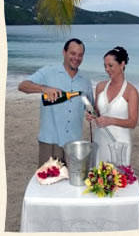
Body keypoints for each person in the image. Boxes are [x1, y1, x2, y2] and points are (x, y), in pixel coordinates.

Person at [18, 38, 94, 167]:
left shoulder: (85, 80)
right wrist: (44, 88)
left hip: (74, 144)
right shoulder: (48, 72)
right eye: (73, 53)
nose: (76, 58)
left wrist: (90, 114)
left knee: (72, 185)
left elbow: (90, 107)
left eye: (80, 55)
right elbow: (23, 86)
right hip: (49, 142)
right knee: (47, 183)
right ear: (64, 52)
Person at [87, 46, 139, 167]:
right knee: (97, 179)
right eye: (105, 66)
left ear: (122, 64)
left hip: (119, 143)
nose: (107, 69)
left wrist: (111, 120)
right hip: (100, 140)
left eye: (110, 65)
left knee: (117, 180)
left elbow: (133, 122)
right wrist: (91, 115)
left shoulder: (131, 91)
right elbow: (97, 112)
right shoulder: (100, 87)